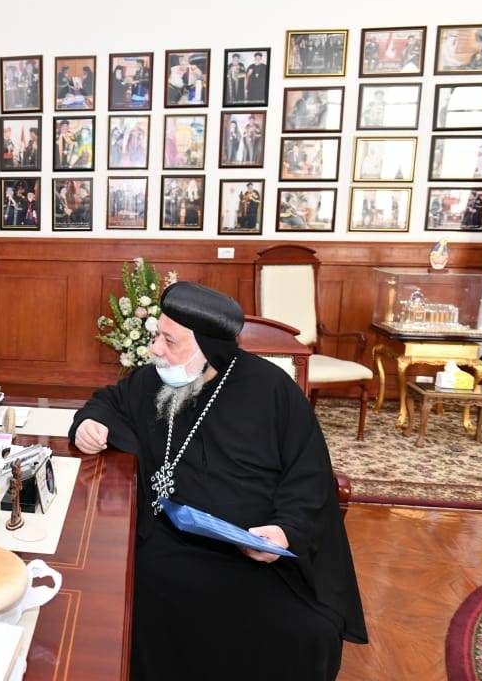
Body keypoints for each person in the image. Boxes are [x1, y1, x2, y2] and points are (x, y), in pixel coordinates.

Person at [70, 282, 367, 681]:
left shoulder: (272, 390)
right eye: (157, 335)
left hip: (254, 552)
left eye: (169, 341)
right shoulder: (154, 380)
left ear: (208, 348)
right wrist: (89, 423)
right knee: (136, 597)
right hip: (169, 541)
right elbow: (107, 401)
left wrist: (284, 531)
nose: (155, 349)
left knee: (305, 631)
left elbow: (309, 476)